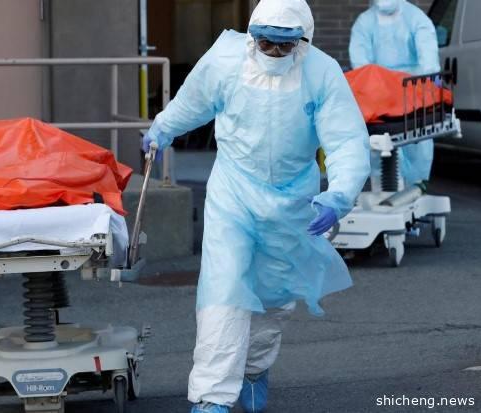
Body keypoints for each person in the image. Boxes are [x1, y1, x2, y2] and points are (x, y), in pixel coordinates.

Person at [141, 0, 370, 412]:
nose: (274, 53)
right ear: (252, 37)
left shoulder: (321, 72)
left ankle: (253, 369)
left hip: (291, 202)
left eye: (285, 45)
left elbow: (346, 139)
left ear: (303, 40)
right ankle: (212, 396)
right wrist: (163, 127)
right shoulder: (225, 60)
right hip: (234, 192)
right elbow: (193, 101)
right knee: (223, 288)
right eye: (266, 43)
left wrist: (340, 193)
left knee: (273, 299)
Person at [349, 0, 441, 189]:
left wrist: (425, 86)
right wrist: (377, 86)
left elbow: (429, 62)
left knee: (417, 148)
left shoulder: (416, 19)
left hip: (413, 94)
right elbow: (361, 65)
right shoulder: (364, 23)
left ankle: (416, 188)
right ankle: (384, 191)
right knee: (378, 149)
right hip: (379, 96)